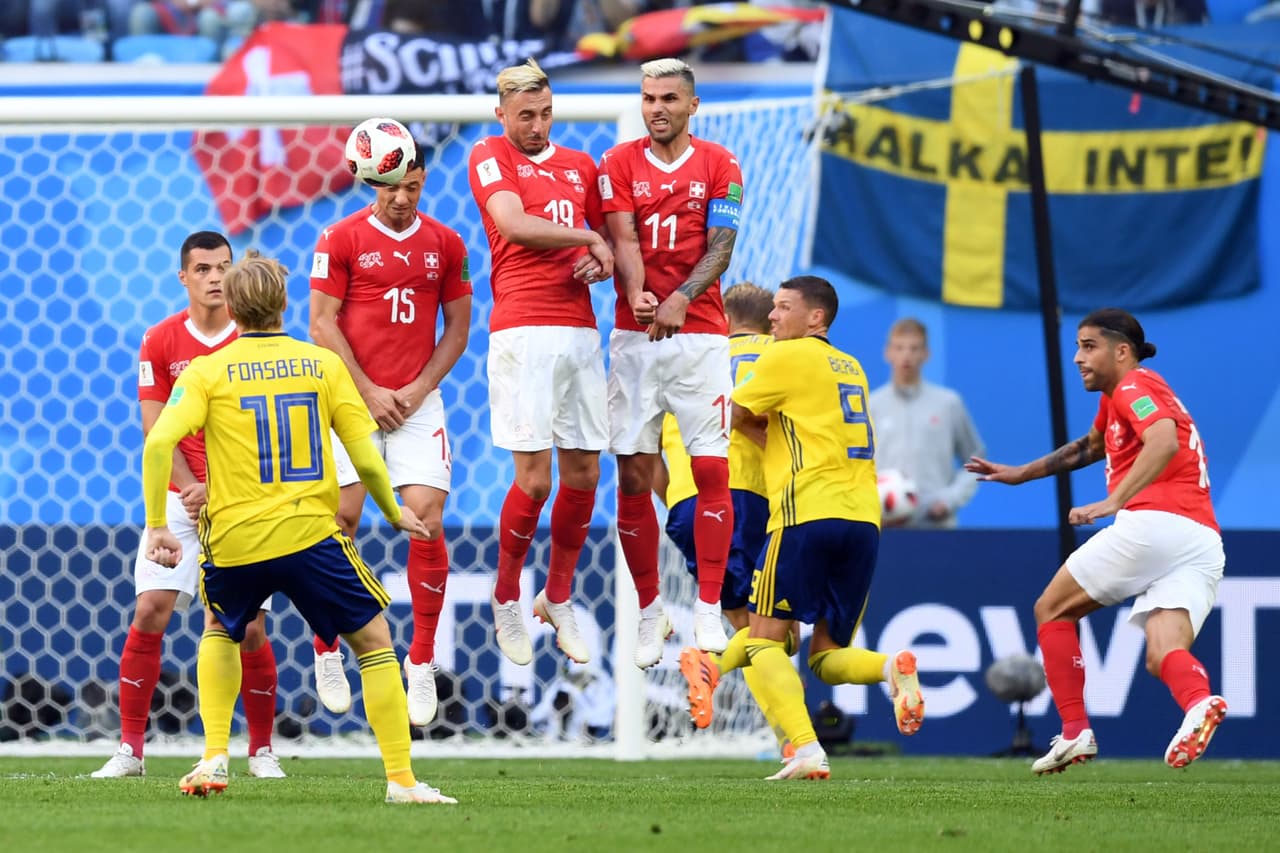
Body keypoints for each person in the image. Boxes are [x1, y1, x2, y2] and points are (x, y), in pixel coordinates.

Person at [141, 252, 455, 804]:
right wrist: (391, 511)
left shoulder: (207, 371)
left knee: (219, 627)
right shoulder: (322, 365)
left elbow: (159, 442)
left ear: (233, 308)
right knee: (375, 642)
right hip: (310, 534)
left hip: (235, 537)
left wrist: (154, 527)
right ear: (285, 305)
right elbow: (365, 456)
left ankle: (215, 754)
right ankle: (402, 782)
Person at [682, 276, 924, 780]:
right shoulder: (852, 366)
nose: (773, 317)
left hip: (803, 514)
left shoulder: (785, 357)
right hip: (863, 520)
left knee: (765, 639)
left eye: (784, 308)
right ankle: (889, 668)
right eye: (772, 308)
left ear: (817, 318)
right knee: (826, 655)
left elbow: (735, 413)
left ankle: (802, 745)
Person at [965, 308, 1227, 774]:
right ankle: (1199, 703)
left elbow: (1162, 441)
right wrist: (1019, 474)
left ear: (1121, 351)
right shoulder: (1120, 398)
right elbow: (1090, 446)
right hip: (1201, 539)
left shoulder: (1134, 386)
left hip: (1154, 525)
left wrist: (1113, 502)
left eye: (1089, 347)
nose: (1077, 359)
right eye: (1077, 347)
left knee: (1052, 609)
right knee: (1162, 652)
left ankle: (1073, 731)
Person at [92, 231, 284, 781]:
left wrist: (220, 485)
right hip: (178, 501)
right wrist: (190, 487)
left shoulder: (251, 340)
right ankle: (130, 750)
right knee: (151, 609)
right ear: (184, 277)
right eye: (202, 269)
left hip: (242, 499)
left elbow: (258, 428)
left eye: (224, 266)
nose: (216, 278)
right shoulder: (159, 340)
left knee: (241, 627)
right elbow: (156, 431)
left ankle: (261, 750)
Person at [309, 135, 473, 727]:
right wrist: (369, 390)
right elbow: (320, 323)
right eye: (389, 187)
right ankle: (327, 647)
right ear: (369, 183)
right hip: (351, 402)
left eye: (410, 185)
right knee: (339, 523)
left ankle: (421, 661)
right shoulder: (341, 238)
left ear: (423, 179)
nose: (400, 198)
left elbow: (457, 327)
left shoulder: (446, 243)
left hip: (416, 403)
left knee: (426, 522)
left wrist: (419, 388)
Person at [466, 58, 613, 666]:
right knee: (535, 478)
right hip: (523, 331)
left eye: (546, 112)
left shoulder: (581, 167)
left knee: (584, 474)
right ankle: (507, 597)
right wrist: (587, 240)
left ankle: (558, 595)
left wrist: (602, 260)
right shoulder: (488, 154)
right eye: (525, 115)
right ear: (502, 114)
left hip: (580, 330)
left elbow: (608, 243)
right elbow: (513, 224)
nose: (537, 124)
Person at [598, 57, 742, 667]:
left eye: (668, 99)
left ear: (692, 105)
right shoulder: (617, 162)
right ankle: (651, 609)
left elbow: (722, 245)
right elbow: (624, 238)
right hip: (635, 340)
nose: (656, 108)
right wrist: (637, 296)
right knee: (633, 475)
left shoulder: (720, 163)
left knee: (711, 468)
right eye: (648, 98)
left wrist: (682, 297)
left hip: (703, 337)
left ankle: (708, 604)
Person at [655, 282, 790, 745]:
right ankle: (792, 737)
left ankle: (791, 738)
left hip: (691, 498)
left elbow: (650, 452)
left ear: (724, 319)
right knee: (771, 632)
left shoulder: (686, 354)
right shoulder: (782, 357)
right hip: (758, 498)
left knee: (752, 627)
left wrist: (675, 501)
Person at [868, 317, 985, 529]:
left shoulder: (948, 403)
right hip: (883, 526)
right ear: (888, 353)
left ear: (926, 354)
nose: (907, 355)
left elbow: (976, 460)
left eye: (914, 348)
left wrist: (949, 500)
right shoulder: (871, 405)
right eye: (900, 347)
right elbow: (854, 463)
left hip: (936, 526)